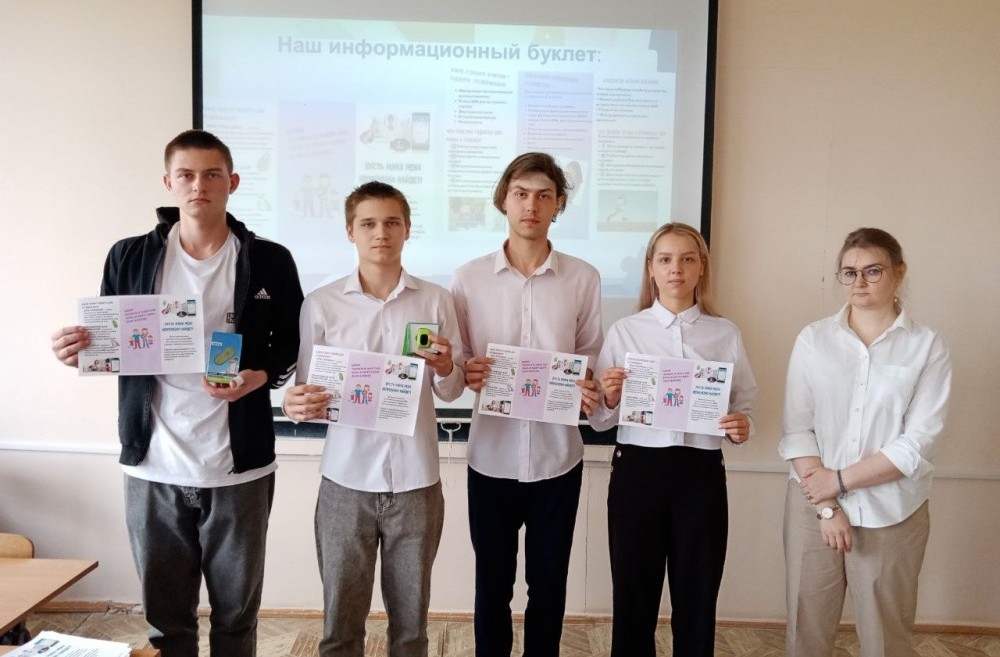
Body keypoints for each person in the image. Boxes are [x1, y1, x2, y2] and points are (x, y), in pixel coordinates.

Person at [50, 129, 304, 657]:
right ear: (168, 183)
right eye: (186, 175)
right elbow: (111, 339)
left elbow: (290, 344)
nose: (199, 186)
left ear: (233, 182)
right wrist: (79, 348)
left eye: (212, 175)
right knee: (166, 624)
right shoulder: (129, 256)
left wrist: (258, 376)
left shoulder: (269, 260)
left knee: (236, 619)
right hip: (154, 464)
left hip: (239, 466)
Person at [281, 181, 465, 657]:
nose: (380, 232)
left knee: (411, 628)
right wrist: (294, 403)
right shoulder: (321, 303)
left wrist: (447, 367)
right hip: (346, 481)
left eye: (391, 222)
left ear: (407, 229)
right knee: (340, 627)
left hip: (417, 481)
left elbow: (452, 389)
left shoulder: (436, 300)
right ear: (350, 232)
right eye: (368, 223)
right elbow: (308, 388)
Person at [450, 152, 603, 657]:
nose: (531, 206)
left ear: (559, 204)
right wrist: (467, 369)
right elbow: (457, 361)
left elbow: (591, 354)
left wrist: (586, 383)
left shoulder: (583, 278)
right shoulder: (468, 278)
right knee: (491, 585)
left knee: (549, 585)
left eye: (543, 196)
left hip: (558, 459)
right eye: (520, 194)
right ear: (503, 200)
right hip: (490, 458)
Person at [779, 227, 952, 657]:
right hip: (812, 506)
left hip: (892, 511)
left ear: (899, 272)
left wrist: (838, 481)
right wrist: (826, 504)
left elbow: (917, 443)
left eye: (873, 271)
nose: (859, 282)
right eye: (849, 272)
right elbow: (797, 428)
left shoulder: (927, 346)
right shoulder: (813, 339)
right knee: (806, 630)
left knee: (885, 639)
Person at [588, 222, 756, 657]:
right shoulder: (625, 331)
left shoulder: (725, 333)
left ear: (702, 267)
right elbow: (602, 421)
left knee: (697, 598)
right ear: (650, 268)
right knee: (633, 596)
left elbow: (744, 405)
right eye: (665, 259)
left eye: (687, 259)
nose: (675, 268)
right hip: (638, 471)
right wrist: (610, 397)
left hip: (700, 475)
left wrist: (742, 425)